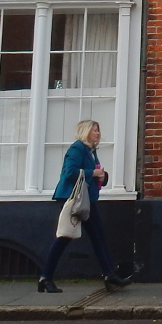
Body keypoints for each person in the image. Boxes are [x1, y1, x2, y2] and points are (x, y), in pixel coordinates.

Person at [37, 119, 131, 292]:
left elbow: (92, 174)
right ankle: (46, 277)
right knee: (65, 237)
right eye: (94, 130)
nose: (98, 133)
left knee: (98, 237)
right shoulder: (77, 148)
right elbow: (70, 172)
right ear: (85, 131)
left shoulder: (90, 151)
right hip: (73, 200)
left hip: (86, 200)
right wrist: (92, 173)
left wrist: (103, 176)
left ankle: (109, 274)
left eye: (98, 130)